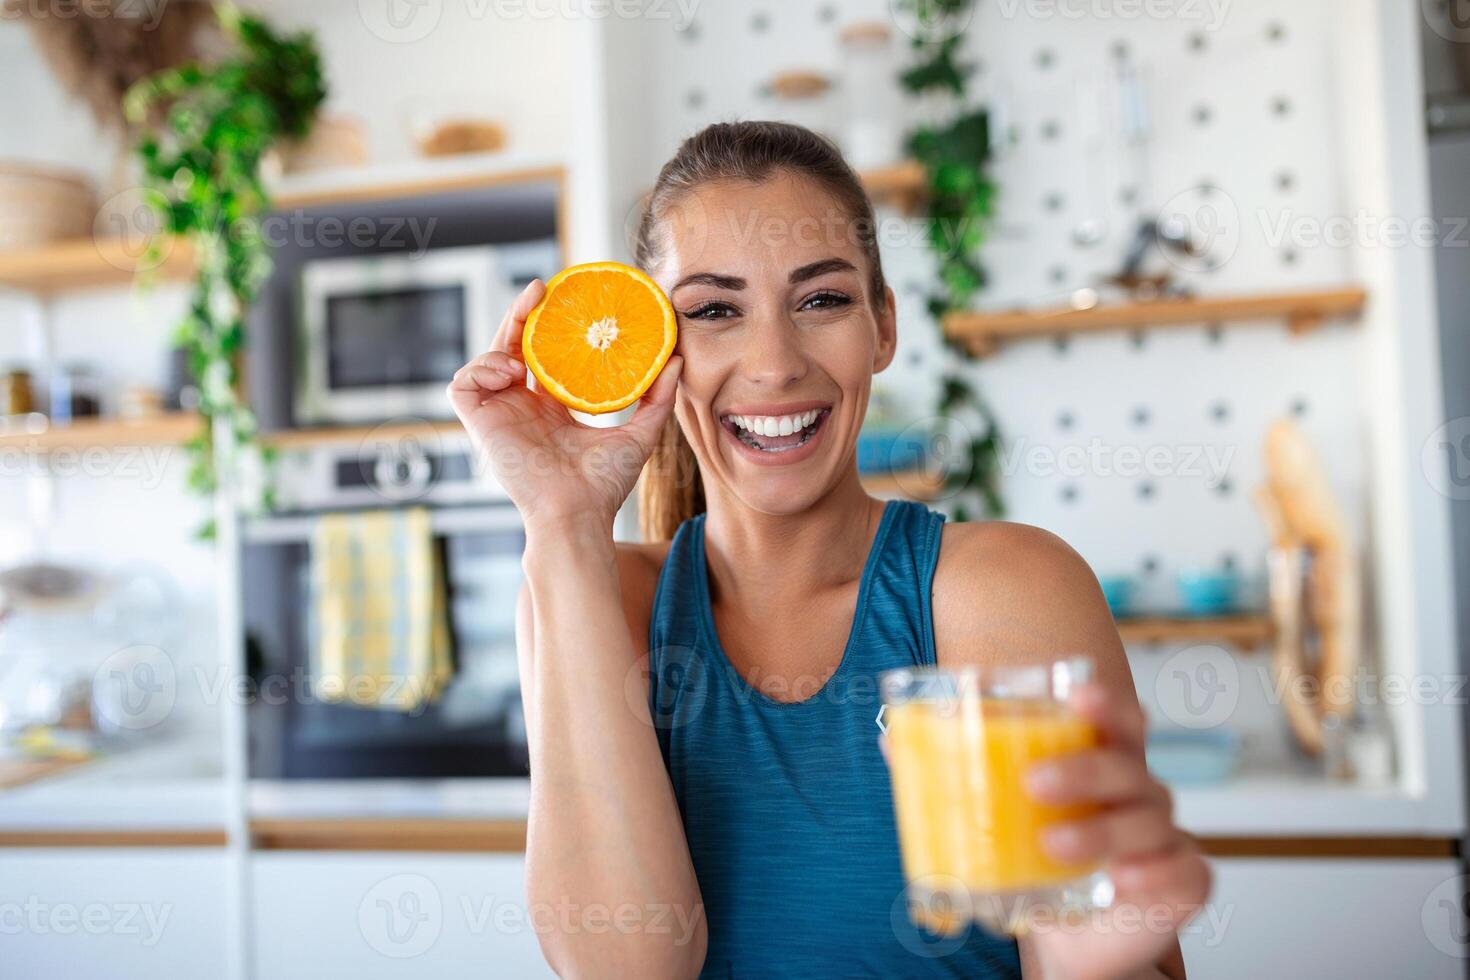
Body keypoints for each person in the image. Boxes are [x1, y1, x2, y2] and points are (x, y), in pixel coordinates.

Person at [448, 120, 1209, 979]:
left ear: (882, 326)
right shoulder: (598, 597)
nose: (773, 365)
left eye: (821, 300)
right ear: (657, 351)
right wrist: (562, 523)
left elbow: (1102, 956)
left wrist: (1088, 942)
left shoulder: (1000, 591)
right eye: (712, 311)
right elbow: (631, 965)